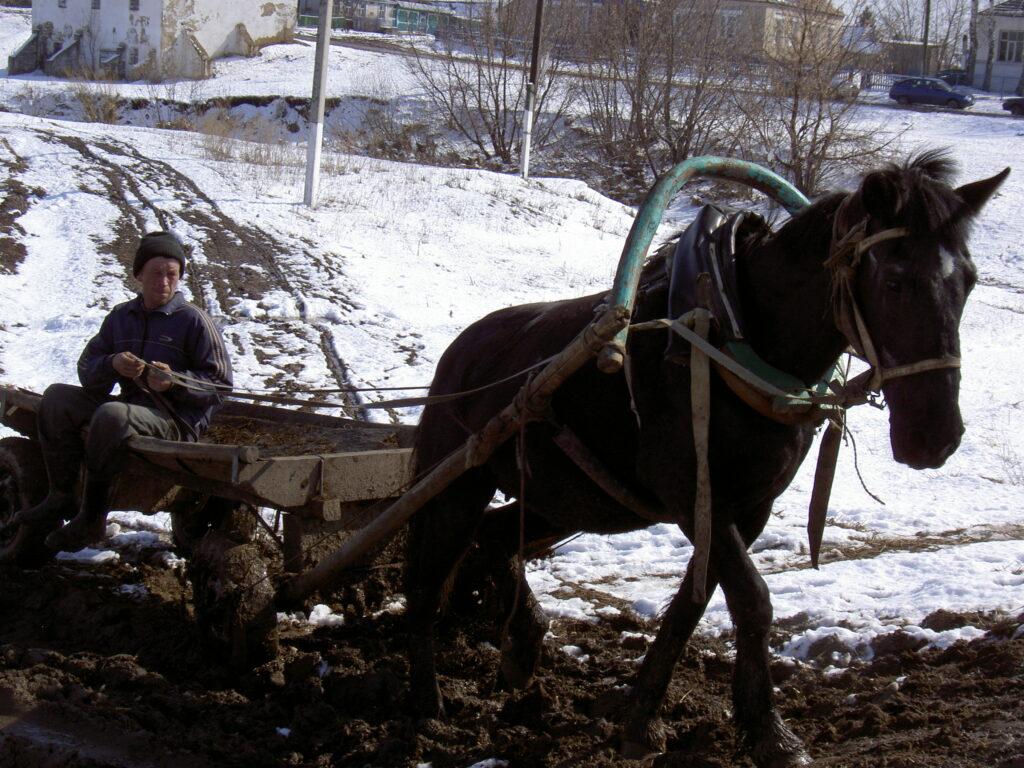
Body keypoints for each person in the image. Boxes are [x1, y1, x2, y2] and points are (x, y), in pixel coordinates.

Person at [13, 230, 232, 553]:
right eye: (156, 273)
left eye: (172, 274)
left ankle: (92, 517)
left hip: (175, 421)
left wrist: (174, 381)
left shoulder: (193, 321)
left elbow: (220, 385)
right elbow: (89, 368)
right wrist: (112, 364)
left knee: (111, 414)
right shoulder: (121, 317)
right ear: (139, 275)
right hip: (132, 407)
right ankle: (61, 496)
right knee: (58, 397)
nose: (164, 282)